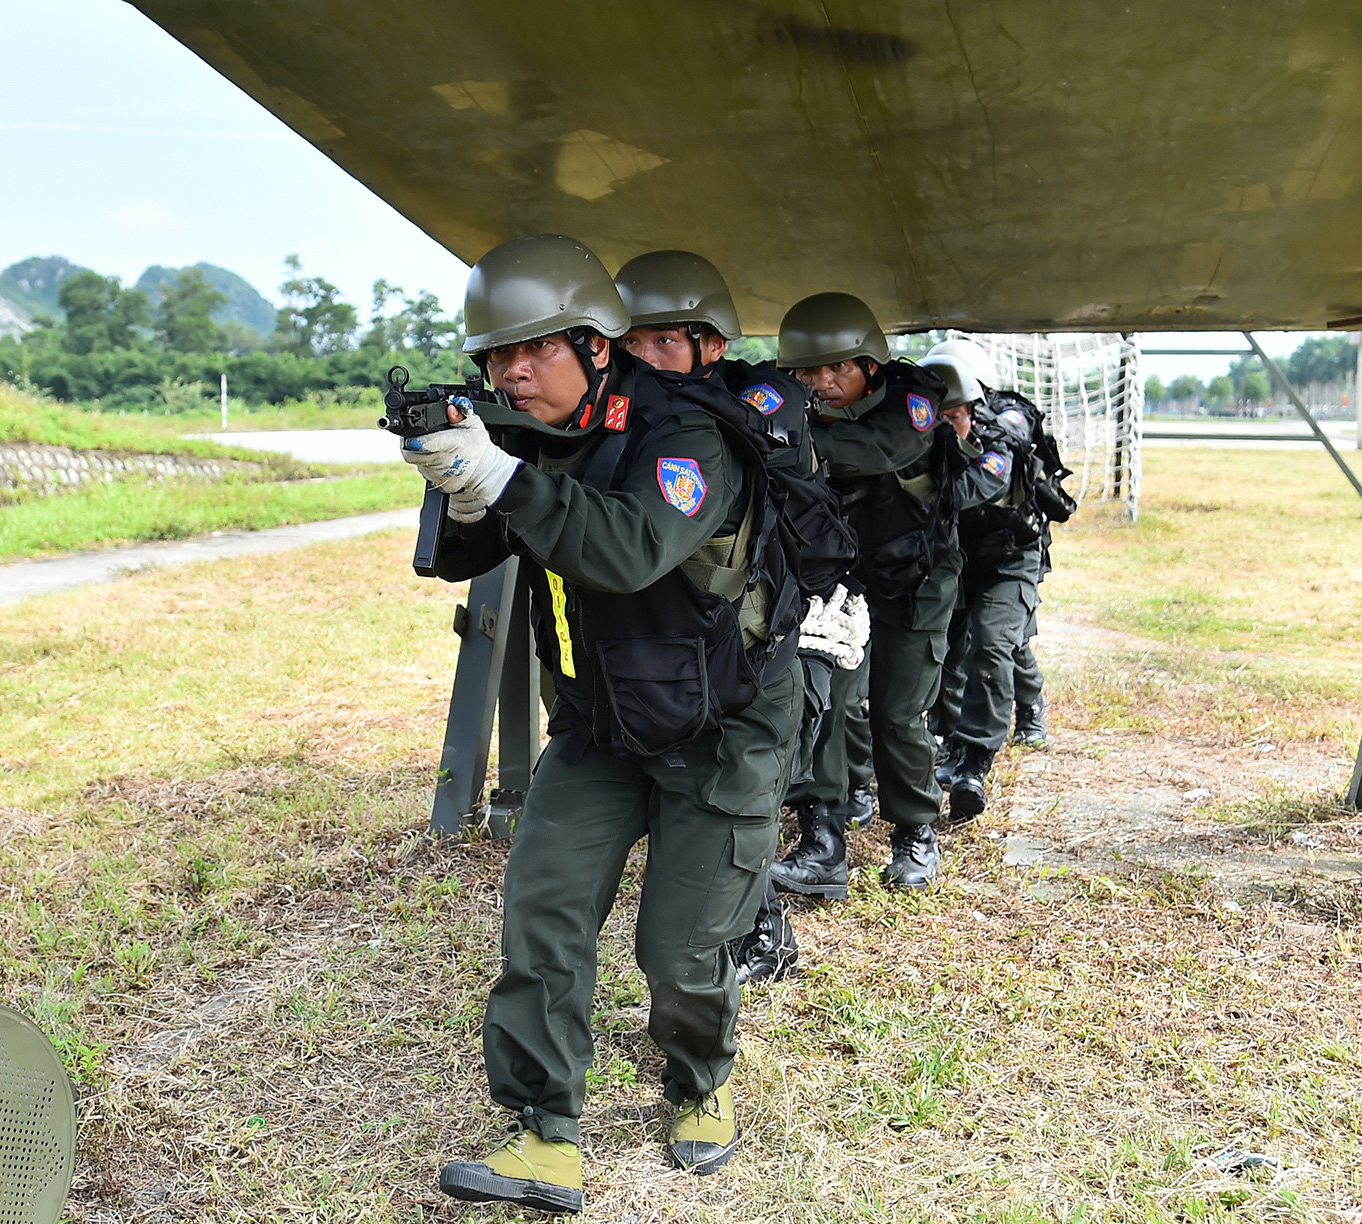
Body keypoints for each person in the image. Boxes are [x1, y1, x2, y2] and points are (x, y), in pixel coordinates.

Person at [409, 234, 802, 1211]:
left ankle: (701, 1079)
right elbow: (460, 559)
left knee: (676, 951)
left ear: (594, 345)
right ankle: (546, 1132)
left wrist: (501, 477)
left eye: (533, 349)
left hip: (725, 722)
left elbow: (629, 549)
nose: (511, 371)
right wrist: (462, 484)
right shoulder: (526, 436)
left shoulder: (688, 434)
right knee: (542, 911)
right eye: (496, 355)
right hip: (601, 726)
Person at [613, 249, 861, 989]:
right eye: (632, 343)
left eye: (664, 341)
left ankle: (771, 921)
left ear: (711, 344)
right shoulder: (638, 413)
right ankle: (756, 924)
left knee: (747, 791)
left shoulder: (749, 406)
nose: (644, 359)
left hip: (766, 634)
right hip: (684, 641)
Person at [769, 295, 1003, 896]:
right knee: (828, 702)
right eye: (806, 374)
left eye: (835, 369)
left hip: (920, 581)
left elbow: (880, 449)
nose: (820, 384)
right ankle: (823, 840)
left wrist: (795, 437)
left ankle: (915, 833)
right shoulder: (802, 406)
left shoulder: (915, 401)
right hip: (848, 575)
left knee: (898, 711)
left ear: (870, 364)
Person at [928, 340, 1063, 818]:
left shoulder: (1006, 423)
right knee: (965, 646)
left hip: (1010, 557)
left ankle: (975, 758)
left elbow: (990, 479)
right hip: (958, 558)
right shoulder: (922, 418)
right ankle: (951, 737)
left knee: (994, 640)